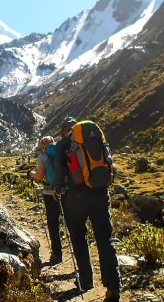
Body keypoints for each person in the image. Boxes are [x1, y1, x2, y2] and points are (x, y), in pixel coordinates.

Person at [53, 117, 120, 301]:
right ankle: (113, 287)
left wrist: (57, 189)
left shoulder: (64, 144)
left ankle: (86, 280)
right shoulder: (95, 136)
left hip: (76, 197)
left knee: (79, 236)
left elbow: (59, 170)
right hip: (100, 193)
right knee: (105, 239)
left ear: (65, 130)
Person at [26, 136, 63, 264]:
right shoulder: (62, 152)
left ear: (42, 145)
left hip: (50, 192)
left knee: (53, 224)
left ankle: (57, 255)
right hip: (66, 192)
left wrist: (31, 174)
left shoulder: (42, 157)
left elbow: (40, 175)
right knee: (71, 224)